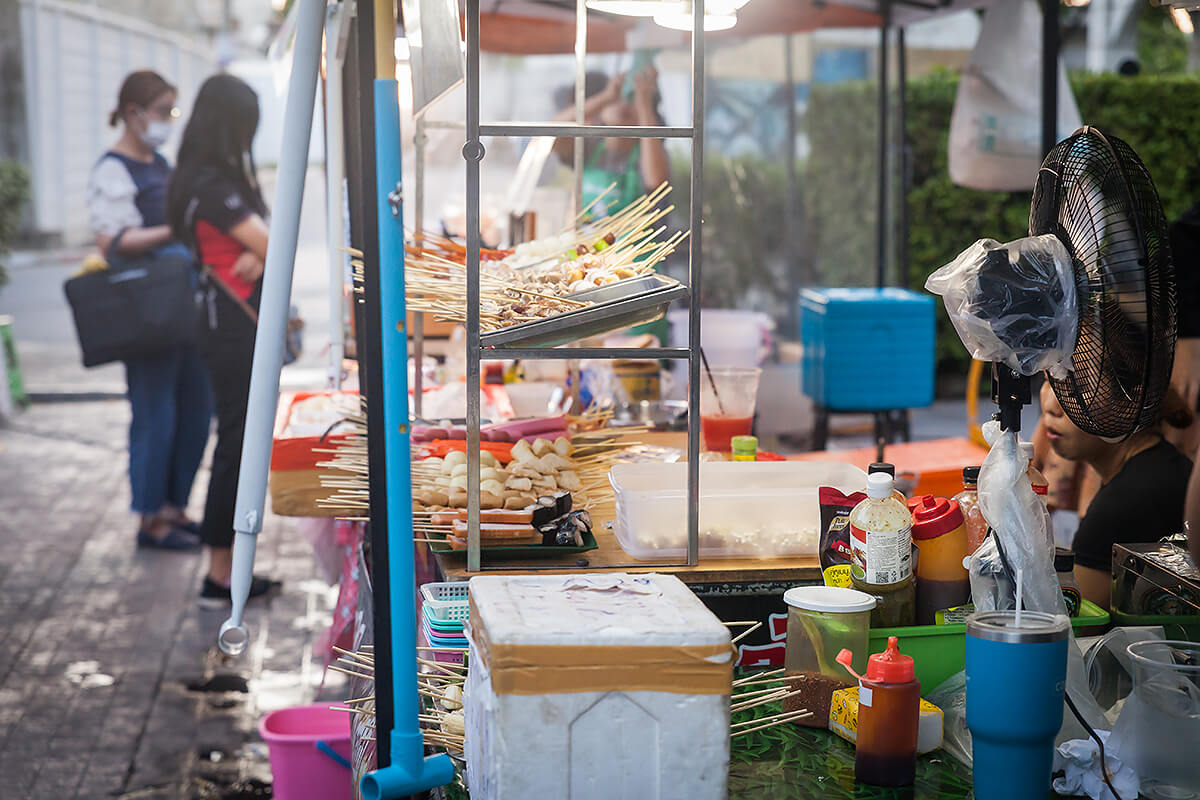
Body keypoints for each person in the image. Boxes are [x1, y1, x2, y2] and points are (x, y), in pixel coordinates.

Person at [87, 70, 213, 551]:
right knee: (154, 413)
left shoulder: (159, 161)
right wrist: (174, 233)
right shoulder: (113, 170)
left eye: (172, 112)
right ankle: (149, 519)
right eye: (163, 111)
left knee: (196, 411)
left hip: (183, 307)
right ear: (134, 112)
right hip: (147, 312)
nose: (168, 121)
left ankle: (175, 508)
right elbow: (110, 241)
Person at [167, 74, 279, 607]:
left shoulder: (199, 178)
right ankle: (218, 575)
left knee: (236, 444)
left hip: (227, 324)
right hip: (232, 329)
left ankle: (227, 569)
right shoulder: (213, 184)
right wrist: (263, 251)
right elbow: (273, 240)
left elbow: (263, 245)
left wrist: (258, 253)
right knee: (235, 448)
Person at [1038, 380, 1193, 608]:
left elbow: (1073, 621)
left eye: (1076, 388)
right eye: (1048, 378)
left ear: (1128, 403)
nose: (1052, 405)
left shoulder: (1124, 503)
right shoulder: (1156, 463)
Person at [552, 66, 671, 216]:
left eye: (632, 98)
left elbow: (656, 182)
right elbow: (552, 132)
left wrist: (644, 102)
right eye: (619, 97)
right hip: (586, 238)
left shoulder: (649, 153)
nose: (624, 104)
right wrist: (607, 96)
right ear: (599, 110)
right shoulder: (588, 148)